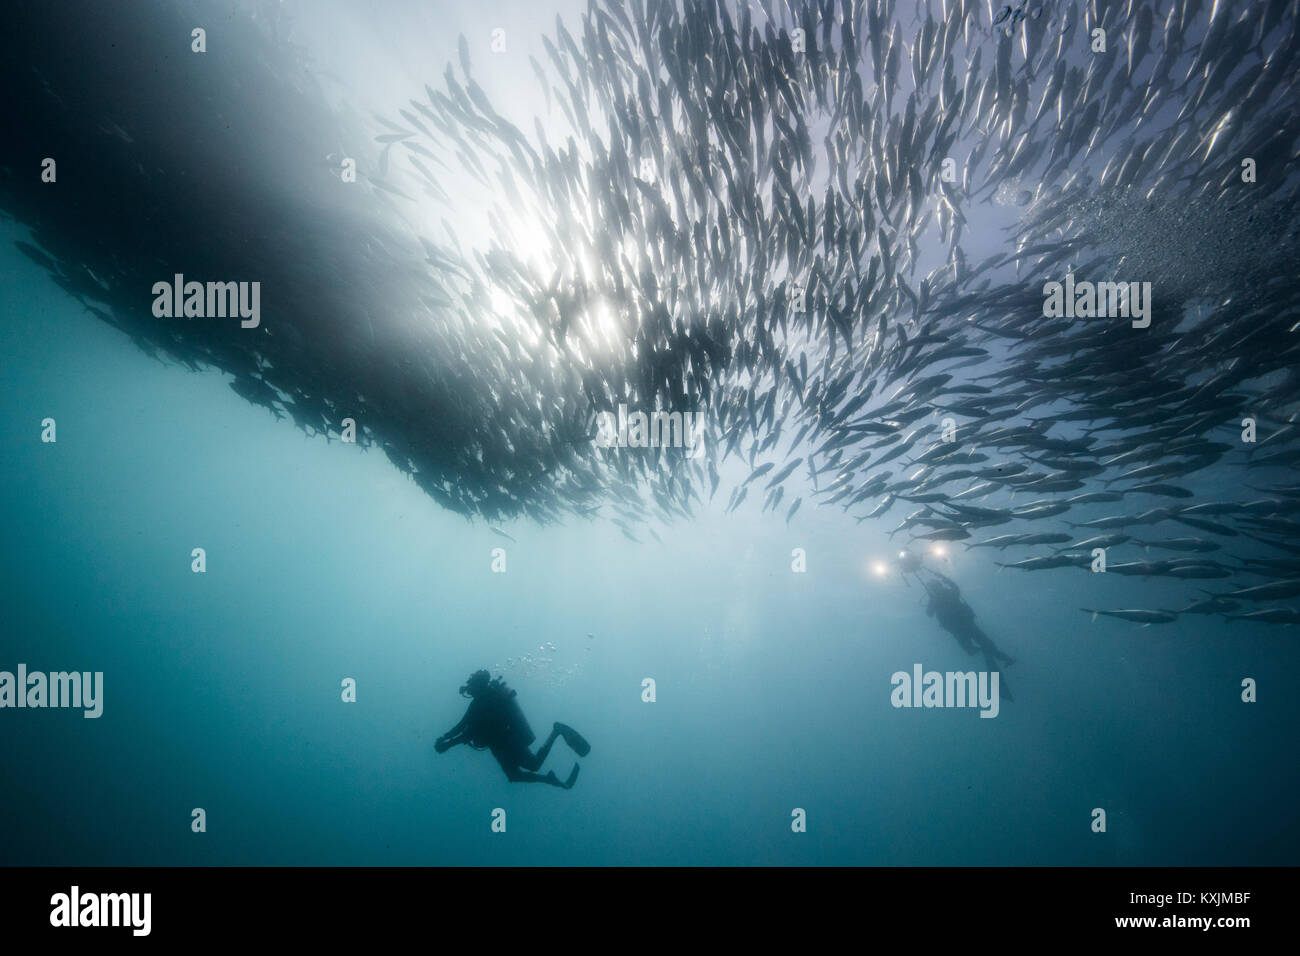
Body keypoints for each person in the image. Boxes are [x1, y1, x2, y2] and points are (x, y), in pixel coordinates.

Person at [435, 670, 590, 788]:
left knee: (533, 765)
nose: (469, 689)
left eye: (472, 685)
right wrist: (445, 737)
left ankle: (556, 731)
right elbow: (463, 725)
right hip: (498, 746)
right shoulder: (478, 703)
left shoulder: (484, 702)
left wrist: (447, 743)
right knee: (514, 776)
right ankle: (549, 778)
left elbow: (468, 731)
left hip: (507, 742)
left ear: (478, 685)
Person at [899, 552, 1016, 701]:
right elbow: (954, 587)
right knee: (981, 645)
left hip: (959, 629)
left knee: (973, 649)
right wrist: (941, 578)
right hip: (966, 625)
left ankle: (993, 655)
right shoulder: (948, 594)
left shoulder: (937, 599)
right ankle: (1000, 657)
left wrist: (932, 597)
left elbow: (929, 613)